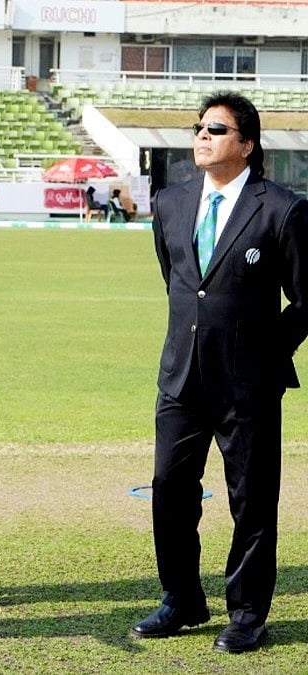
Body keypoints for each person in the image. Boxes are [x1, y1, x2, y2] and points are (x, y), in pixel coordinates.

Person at [133, 91, 308, 654]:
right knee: (168, 490)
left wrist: (263, 351)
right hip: (180, 377)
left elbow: (305, 299)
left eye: (217, 129)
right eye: (199, 128)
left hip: (248, 385)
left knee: (251, 500)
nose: (202, 136)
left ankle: (248, 614)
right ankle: (181, 599)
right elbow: (179, 282)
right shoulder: (171, 201)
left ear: (248, 145)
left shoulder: (281, 208)